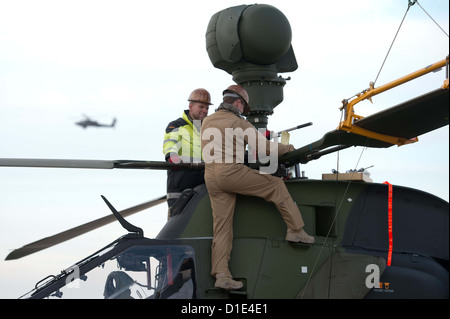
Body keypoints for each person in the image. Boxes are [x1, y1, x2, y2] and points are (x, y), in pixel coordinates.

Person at [201, 85, 314, 290]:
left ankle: (221, 275)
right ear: (237, 103)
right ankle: (296, 230)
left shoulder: (207, 121)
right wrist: (290, 149)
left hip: (211, 177)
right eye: (244, 107)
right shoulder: (237, 122)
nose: (245, 111)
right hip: (230, 172)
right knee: (276, 185)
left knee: (222, 227)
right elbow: (266, 149)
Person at [163, 88, 212, 211]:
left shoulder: (209, 129)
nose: (205, 111)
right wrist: (171, 156)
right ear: (191, 106)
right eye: (201, 107)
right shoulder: (176, 125)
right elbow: (170, 143)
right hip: (181, 189)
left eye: (207, 108)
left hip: (204, 188)